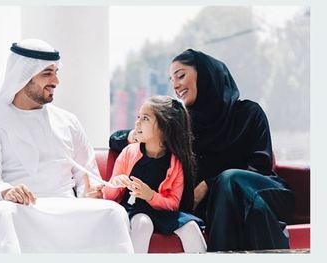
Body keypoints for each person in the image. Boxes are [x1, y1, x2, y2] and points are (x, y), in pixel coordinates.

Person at [0, 39, 133, 253]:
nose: (56, 80)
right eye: (47, 73)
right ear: (23, 75)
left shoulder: (67, 121)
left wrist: (88, 191)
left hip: (66, 205)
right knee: (3, 214)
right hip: (20, 208)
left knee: (113, 213)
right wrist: (7, 191)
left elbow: (86, 173)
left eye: (56, 72)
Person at [109, 49, 295, 252]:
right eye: (172, 80)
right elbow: (116, 139)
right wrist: (133, 135)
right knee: (249, 208)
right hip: (219, 208)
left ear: (206, 74)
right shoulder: (187, 126)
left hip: (264, 192)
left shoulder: (249, 113)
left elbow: (260, 166)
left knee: (229, 180)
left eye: (181, 75)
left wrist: (209, 183)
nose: (176, 85)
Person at [103, 95, 207, 253]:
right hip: (134, 210)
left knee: (191, 227)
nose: (137, 122)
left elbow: (173, 204)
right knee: (143, 224)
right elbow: (108, 196)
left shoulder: (175, 162)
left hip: (164, 213)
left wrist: (151, 195)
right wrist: (116, 183)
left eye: (145, 118)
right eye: (138, 117)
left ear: (164, 128)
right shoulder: (129, 153)